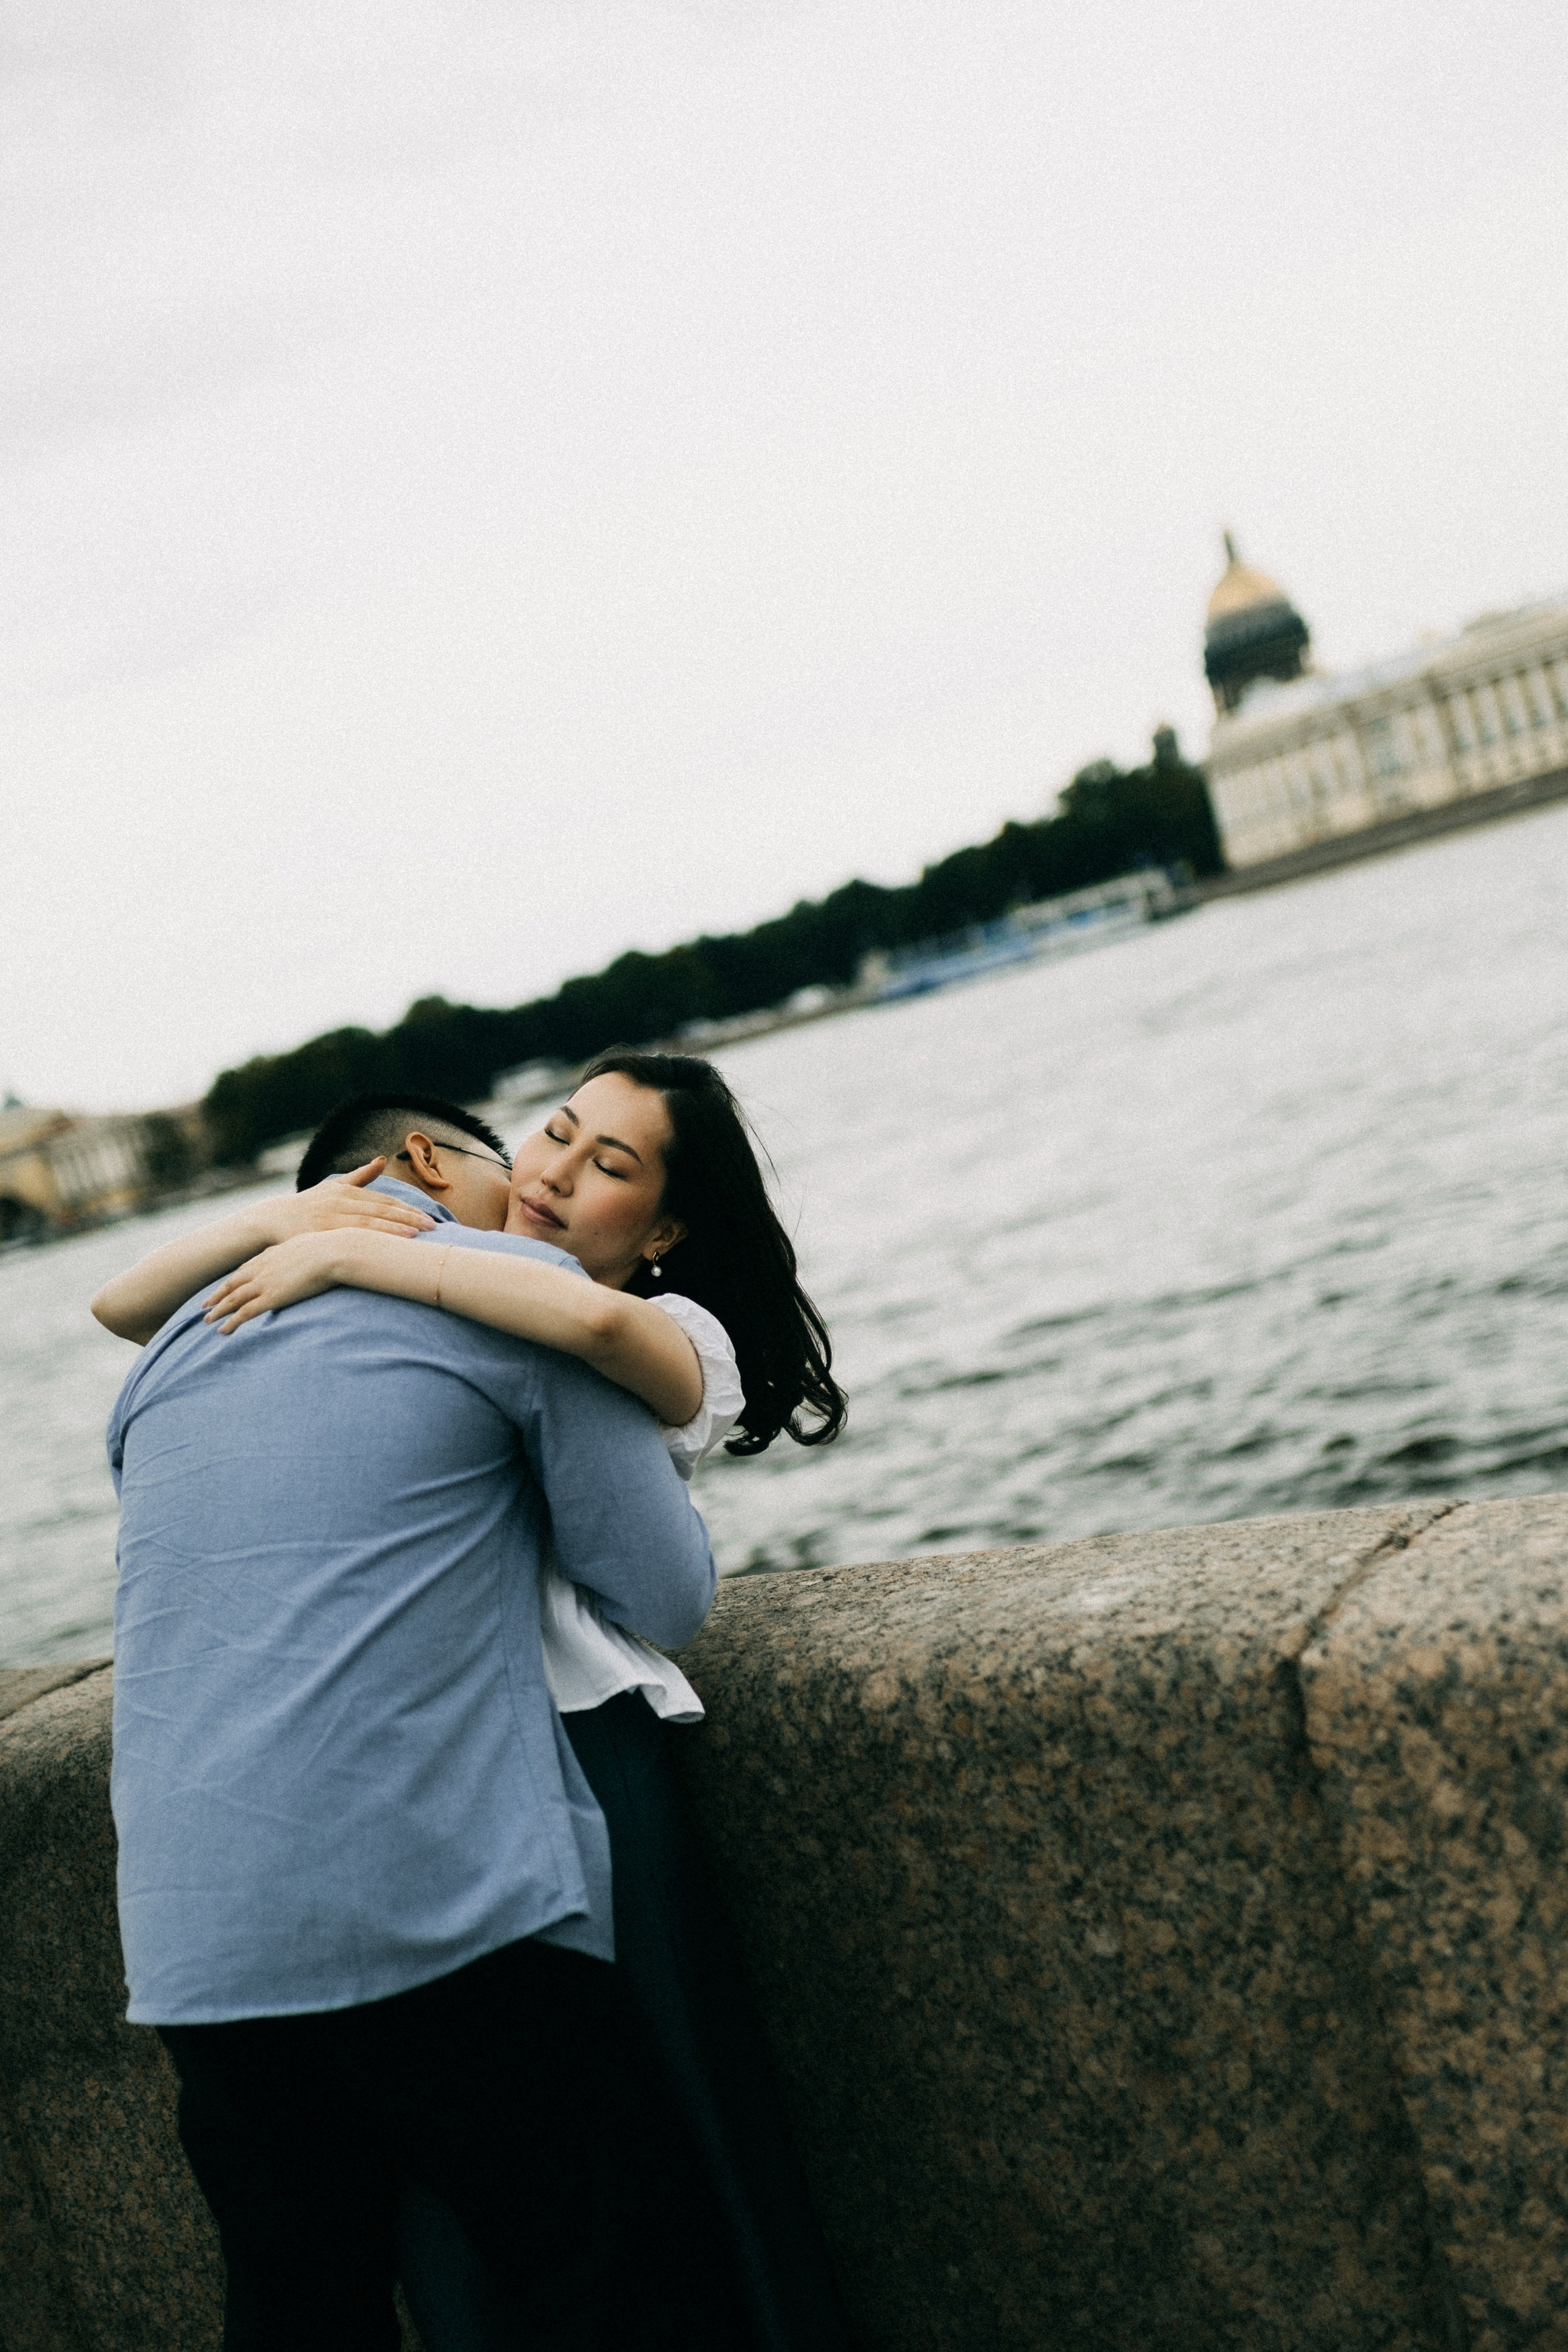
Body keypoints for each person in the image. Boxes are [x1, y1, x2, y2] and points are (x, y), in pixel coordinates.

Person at [96, 1060, 854, 2350]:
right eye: (534, 1143)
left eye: (591, 1158)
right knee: (624, 2281)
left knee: (302, 2306)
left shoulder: (176, 1347)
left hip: (189, 1935)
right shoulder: (523, 1302)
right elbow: (661, 1597)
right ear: (432, 1172)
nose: (541, 1176)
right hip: (420, 1893)